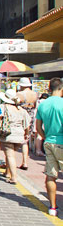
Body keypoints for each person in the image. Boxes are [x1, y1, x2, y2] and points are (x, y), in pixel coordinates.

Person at [36, 78, 63, 217]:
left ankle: (53, 207)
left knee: (51, 176)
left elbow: (38, 127)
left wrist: (45, 136)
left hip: (49, 142)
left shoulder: (42, 105)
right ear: (61, 88)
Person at [0, 89, 31, 184]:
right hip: (19, 135)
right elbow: (27, 124)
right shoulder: (21, 109)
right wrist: (26, 134)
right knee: (10, 154)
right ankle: (8, 172)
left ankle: (14, 177)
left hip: (7, 134)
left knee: (10, 155)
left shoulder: (3, 107)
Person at [16, 77, 38, 168]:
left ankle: (11, 161)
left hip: (21, 116)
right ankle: (25, 162)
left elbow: (15, 105)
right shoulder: (35, 94)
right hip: (31, 116)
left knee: (16, 139)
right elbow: (35, 106)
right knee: (26, 140)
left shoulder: (19, 94)